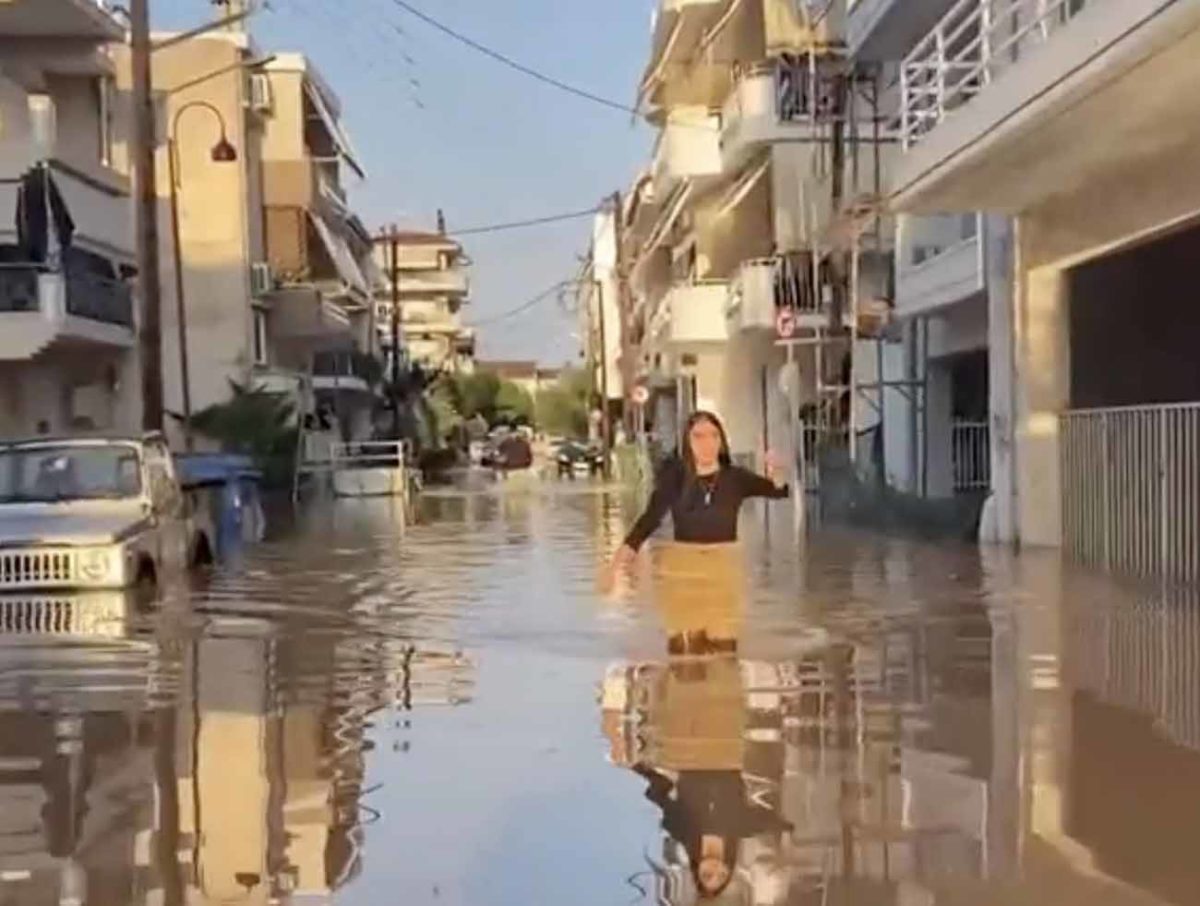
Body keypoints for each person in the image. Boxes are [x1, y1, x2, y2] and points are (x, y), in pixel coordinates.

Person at [603, 411, 789, 650]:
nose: (707, 444)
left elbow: (779, 491)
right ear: (687, 442)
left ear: (721, 441)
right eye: (698, 437)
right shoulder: (675, 478)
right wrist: (618, 563)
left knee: (724, 652)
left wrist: (779, 470)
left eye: (713, 436)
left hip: (723, 569)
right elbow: (649, 520)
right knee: (684, 654)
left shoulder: (736, 478)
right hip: (683, 571)